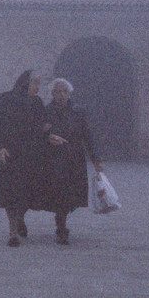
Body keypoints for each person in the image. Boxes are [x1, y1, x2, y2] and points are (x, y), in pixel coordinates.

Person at [0, 70, 55, 247]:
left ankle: (20, 219)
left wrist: (48, 135)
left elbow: (41, 126)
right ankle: (12, 233)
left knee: (27, 193)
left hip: (31, 155)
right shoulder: (5, 100)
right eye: (35, 84)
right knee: (10, 193)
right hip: (9, 154)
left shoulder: (37, 102)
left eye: (39, 84)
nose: (37, 88)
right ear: (25, 83)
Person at [44, 78, 103, 244]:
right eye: (57, 92)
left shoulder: (79, 111)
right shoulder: (45, 112)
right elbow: (37, 133)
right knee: (60, 192)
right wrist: (48, 137)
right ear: (52, 94)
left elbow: (88, 136)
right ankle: (61, 227)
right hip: (54, 158)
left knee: (71, 193)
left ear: (69, 93)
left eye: (64, 91)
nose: (61, 95)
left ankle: (61, 218)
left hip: (74, 158)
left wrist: (96, 159)